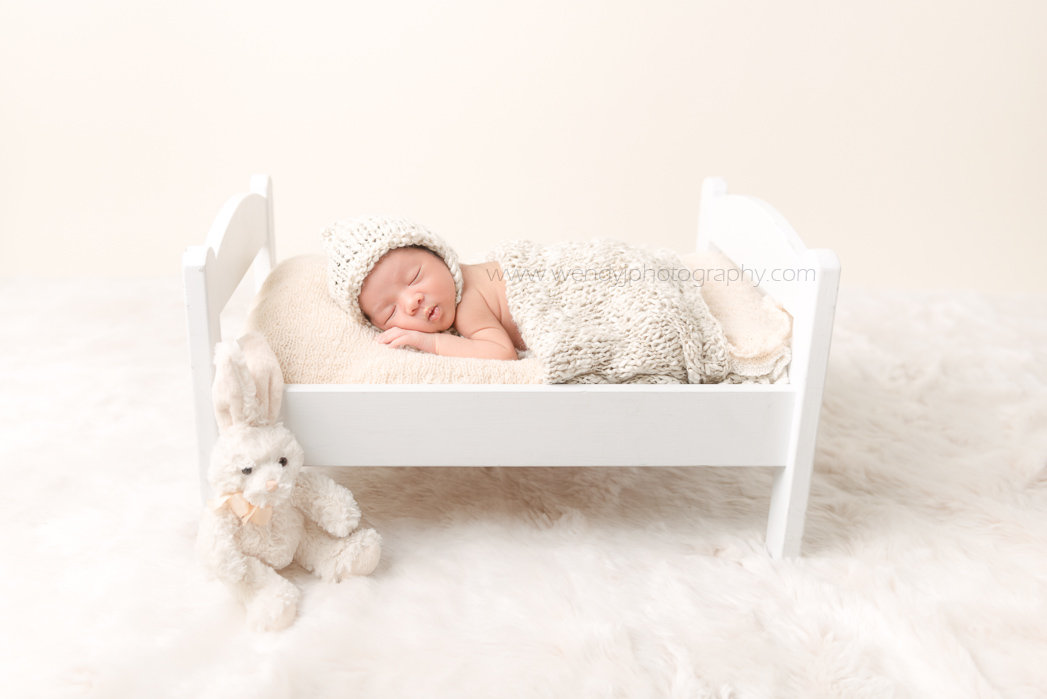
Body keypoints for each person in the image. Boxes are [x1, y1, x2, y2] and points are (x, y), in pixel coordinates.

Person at [322, 217, 525, 360]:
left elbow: (502, 352)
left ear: (438, 254)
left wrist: (431, 342)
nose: (412, 302)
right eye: (390, 311)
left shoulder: (467, 303)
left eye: (414, 278)